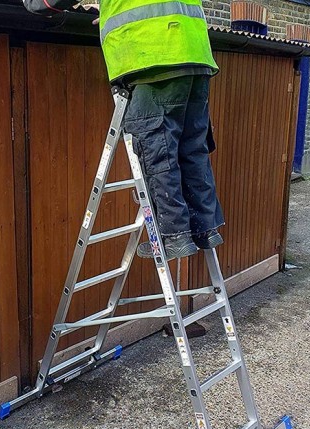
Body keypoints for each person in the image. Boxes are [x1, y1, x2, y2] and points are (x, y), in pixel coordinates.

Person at [96, 0, 225, 260]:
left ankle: (175, 237)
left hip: (153, 56)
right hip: (195, 55)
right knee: (193, 149)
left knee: (158, 153)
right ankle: (206, 229)